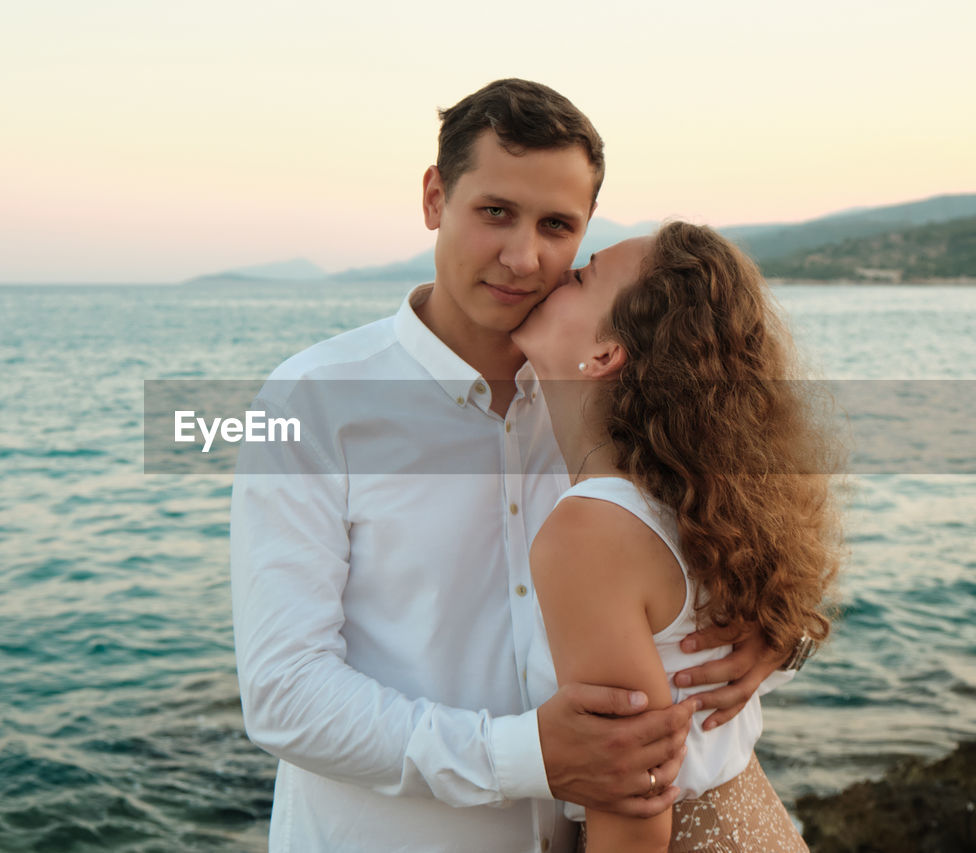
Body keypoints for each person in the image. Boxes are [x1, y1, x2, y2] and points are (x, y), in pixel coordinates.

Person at [231, 79, 798, 852]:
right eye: (494, 212)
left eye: (557, 225)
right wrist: (530, 756)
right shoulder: (313, 400)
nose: (523, 256)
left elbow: (730, 534)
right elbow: (285, 695)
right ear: (435, 197)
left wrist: (777, 636)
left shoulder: (614, 404)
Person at [512, 223, 840, 851]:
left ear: (606, 355)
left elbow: (634, 801)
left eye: (582, 276)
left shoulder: (591, 529)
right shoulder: (691, 500)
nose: (551, 272)